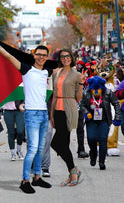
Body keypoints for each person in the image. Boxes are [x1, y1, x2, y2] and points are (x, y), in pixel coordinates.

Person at [0, 29, 52, 194]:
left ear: (47, 57)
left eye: (44, 55)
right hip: (32, 113)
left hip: (43, 113)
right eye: (38, 54)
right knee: (33, 148)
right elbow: (7, 55)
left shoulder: (47, 72)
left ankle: (37, 177)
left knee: (40, 148)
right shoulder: (26, 69)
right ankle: (25, 180)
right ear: (34, 55)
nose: (41, 57)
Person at [50, 49, 86, 186]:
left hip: (69, 108)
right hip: (57, 109)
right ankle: (72, 173)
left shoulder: (76, 75)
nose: (65, 59)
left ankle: (73, 170)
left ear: (71, 58)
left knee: (56, 143)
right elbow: (54, 94)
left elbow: (78, 98)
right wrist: (51, 114)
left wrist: (82, 84)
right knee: (63, 144)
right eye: (62, 57)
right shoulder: (56, 73)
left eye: (67, 56)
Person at [81, 75, 122, 170]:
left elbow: (116, 103)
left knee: (103, 140)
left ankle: (102, 162)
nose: (96, 92)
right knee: (91, 138)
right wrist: (86, 113)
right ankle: (93, 154)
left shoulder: (108, 93)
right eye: (94, 89)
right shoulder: (86, 93)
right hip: (91, 121)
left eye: (98, 89)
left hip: (104, 120)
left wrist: (118, 117)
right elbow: (82, 105)